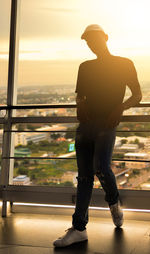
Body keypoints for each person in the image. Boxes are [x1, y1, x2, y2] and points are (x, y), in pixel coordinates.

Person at [53, 24, 142, 247]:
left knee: (101, 167)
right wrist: (79, 104)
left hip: (106, 123)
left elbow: (137, 95)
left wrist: (119, 108)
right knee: (84, 177)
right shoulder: (85, 67)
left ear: (105, 38)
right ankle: (79, 228)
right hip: (86, 125)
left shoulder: (124, 64)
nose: (91, 44)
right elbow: (80, 95)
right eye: (88, 41)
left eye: (94, 39)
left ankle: (113, 203)